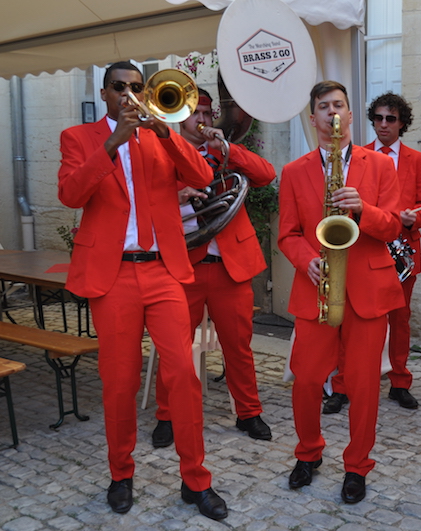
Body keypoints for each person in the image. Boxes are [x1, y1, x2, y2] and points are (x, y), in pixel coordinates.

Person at [57, 62, 227, 520]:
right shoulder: (79, 138)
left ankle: (196, 480)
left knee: (184, 377)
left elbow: (202, 176)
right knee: (119, 382)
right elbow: (71, 194)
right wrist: (112, 143)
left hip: (164, 272)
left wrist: (169, 132)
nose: (130, 95)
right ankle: (121, 474)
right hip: (112, 275)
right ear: (105, 92)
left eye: (137, 87)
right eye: (121, 88)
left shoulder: (160, 136)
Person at [277, 80, 404, 504]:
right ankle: (308, 452)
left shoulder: (382, 165)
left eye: (340, 106)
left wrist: (362, 209)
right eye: (324, 107)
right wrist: (304, 259)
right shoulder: (294, 172)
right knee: (307, 380)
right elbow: (288, 234)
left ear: (350, 116)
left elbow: (391, 226)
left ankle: (357, 466)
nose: (333, 114)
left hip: (368, 287)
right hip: (317, 286)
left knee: (365, 385)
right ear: (313, 119)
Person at [150, 88, 275, 447]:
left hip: (229, 265)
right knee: (174, 346)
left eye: (207, 113)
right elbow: (145, 204)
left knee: (239, 346)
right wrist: (174, 197)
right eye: (195, 114)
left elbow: (266, 175)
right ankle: (167, 415)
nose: (202, 120)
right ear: (178, 118)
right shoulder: (162, 154)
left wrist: (229, 151)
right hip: (183, 264)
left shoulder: (225, 154)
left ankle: (249, 412)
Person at [323, 92, 421, 413]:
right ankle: (341, 385)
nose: (384, 125)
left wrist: (414, 219)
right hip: (364, 247)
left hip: (402, 249)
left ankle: (399, 381)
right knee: (347, 318)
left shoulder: (419, 161)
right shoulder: (354, 155)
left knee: (399, 320)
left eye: (391, 119)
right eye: (378, 118)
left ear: (402, 123)